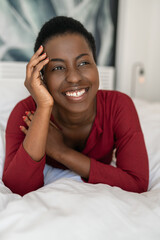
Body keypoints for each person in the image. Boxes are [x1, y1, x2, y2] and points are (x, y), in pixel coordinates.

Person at [2, 16, 149, 196]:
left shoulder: (118, 105)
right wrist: (44, 107)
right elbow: (17, 188)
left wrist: (61, 152)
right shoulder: (26, 113)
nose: (74, 77)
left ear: (96, 66)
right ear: (42, 78)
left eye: (84, 63)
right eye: (57, 68)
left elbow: (137, 183)